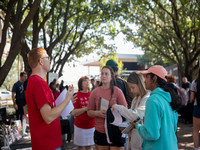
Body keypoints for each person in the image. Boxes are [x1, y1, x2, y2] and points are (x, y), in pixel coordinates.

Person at [26, 48, 74, 150]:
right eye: (47, 57)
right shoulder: (39, 83)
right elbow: (48, 117)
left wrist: (65, 102)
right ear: (41, 61)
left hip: (46, 143)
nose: (50, 60)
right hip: (47, 144)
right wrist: (66, 101)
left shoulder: (34, 81)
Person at [130, 65, 180, 150]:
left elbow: (151, 134)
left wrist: (138, 126)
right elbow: (173, 128)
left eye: (147, 77)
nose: (144, 81)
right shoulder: (170, 98)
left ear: (154, 79)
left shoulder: (152, 100)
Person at [87, 66, 127, 150]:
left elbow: (125, 110)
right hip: (100, 131)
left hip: (115, 130)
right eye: (102, 74)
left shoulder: (117, 91)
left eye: (106, 74)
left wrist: (112, 112)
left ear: (111, 77)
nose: (104, 76)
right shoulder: (95, 92)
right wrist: (97, 113)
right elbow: (89, 112)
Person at [111, 72, 150, 150]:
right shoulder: (136, 98)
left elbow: (136, 115)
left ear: (140, 84)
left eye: (133, 87)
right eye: (129, 88)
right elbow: (134, 120)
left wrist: (118, 107)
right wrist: (126, 128)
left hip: (141, 142)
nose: (131, 91)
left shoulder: (147, 98)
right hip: (133, 140)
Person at [72, 76, 95, 150]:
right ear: (81, 84)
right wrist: (85, 109)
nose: (88, 82)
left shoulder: (92, 95)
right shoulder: (76, 96)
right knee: (81, 147)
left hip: (91, 126)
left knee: (90, 147)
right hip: (80, 127)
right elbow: (74, 113)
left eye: (88, 81)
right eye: (85, 81)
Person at [190, 69, 200, 150]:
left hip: (198, 107)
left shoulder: (194, 82)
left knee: (196, 130)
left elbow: (192, 98)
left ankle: (196, 148)